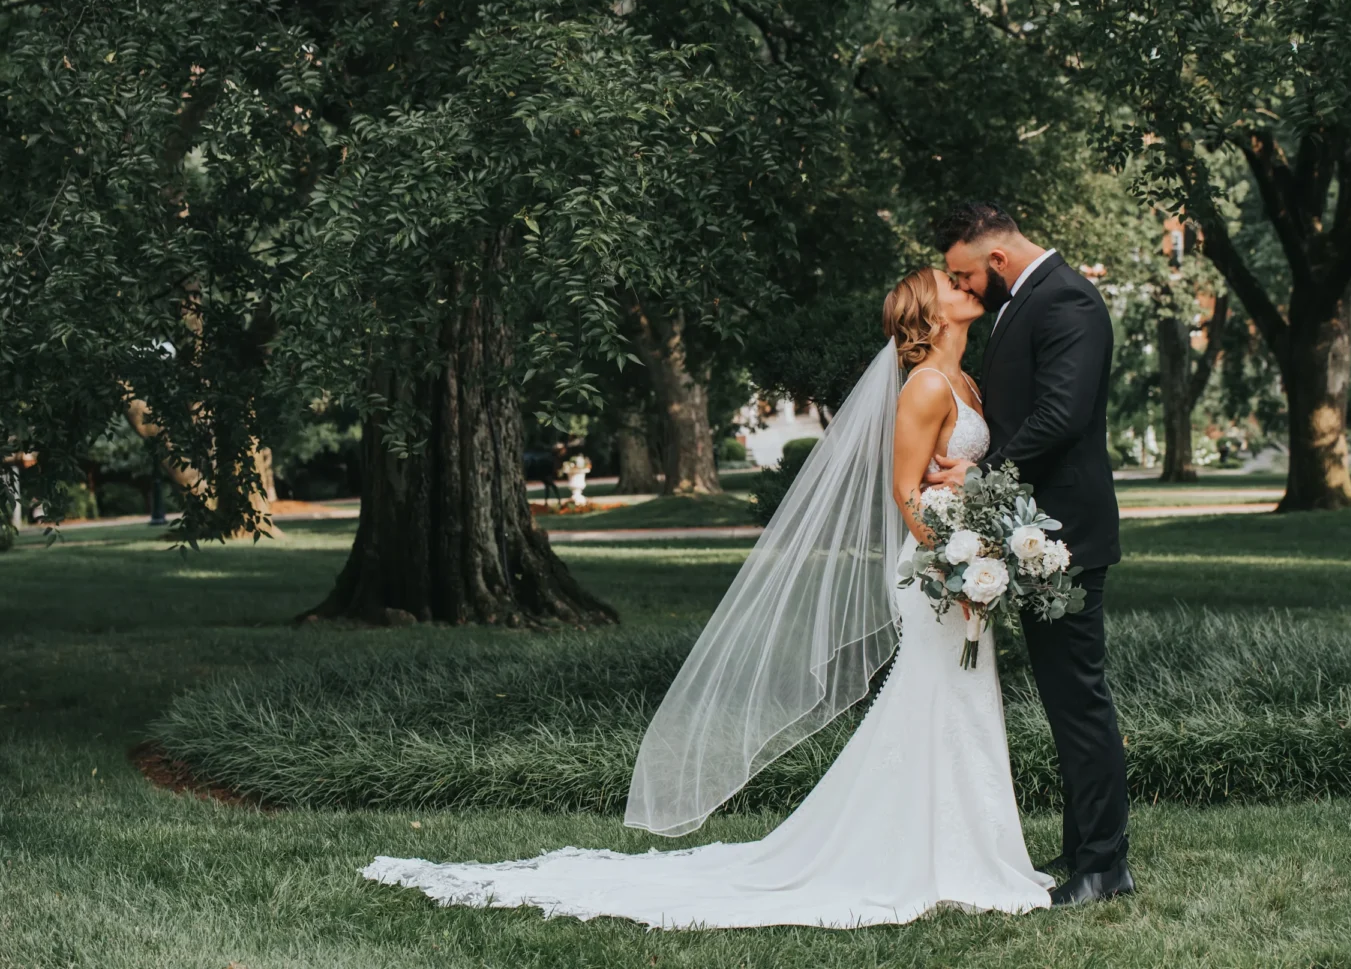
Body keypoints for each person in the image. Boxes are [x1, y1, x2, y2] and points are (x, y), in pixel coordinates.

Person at [358, 265, 1059, 928]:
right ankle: (923, 858)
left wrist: (981, 535)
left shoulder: (963, 378)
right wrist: (953, 562)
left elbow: (955, 474)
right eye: (949, 283)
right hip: (939, 570)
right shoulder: (926, 387)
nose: (964, 285)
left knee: (961, 699)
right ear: (930, 315)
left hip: (967, 561)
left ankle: (967, 853)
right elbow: (904, 489)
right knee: (936, 698)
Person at [925, 201, 1131, 907]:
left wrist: (981, 475)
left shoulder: (1067, 299)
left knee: (1080, 703)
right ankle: (1083, 849)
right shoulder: (1025, 301)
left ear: (998, 259)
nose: (965, 288)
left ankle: (1105, 865)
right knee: (1065, 700)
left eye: (964, 274)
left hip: (1065, 535)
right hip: (1034, 531)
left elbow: (1061, 414)